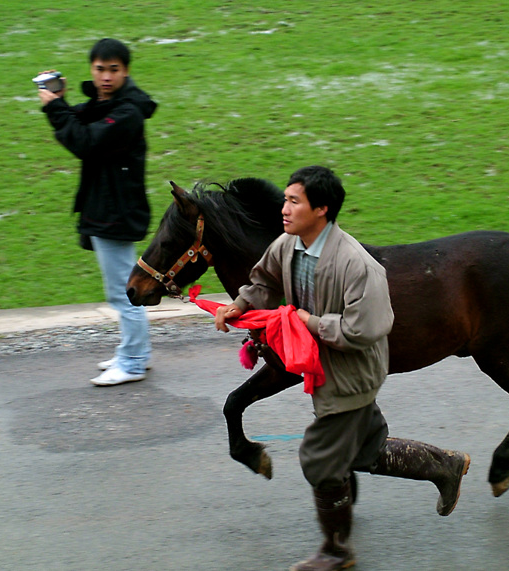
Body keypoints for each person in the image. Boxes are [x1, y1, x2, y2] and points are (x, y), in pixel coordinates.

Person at [214, 166, 471, 570]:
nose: (283, 208)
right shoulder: (289, 245)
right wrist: (241, 304)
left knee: (319, 459)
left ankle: (336, 551)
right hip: (321, 365)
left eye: (293, 201)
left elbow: (367, 328)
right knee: (365, 449)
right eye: (284, 199)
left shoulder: (358, 265)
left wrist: (307, 322)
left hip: (350, 373)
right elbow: (263, 279)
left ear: (322, 209)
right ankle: (445, 465)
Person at [39, 38, 156, 386]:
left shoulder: (127, 112)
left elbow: (86, 142)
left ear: (126, 71)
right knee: (122, 288)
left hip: (115, 212)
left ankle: (133, 362)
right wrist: (59, 102)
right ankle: (135, 353)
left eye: (113, 70)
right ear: (91, 69)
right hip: (107, 208)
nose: (106, 76)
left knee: (124, 291)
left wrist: (54, 109)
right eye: (100, 69)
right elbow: (81, 122)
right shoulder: (105, 103)